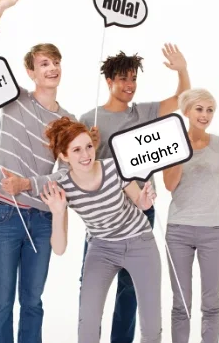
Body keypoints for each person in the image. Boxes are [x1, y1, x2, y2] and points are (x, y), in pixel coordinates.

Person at [0, 0, 89, 342]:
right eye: (44, 63)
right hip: (4, 212)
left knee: (32, 302)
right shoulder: (13, 98)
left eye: (56, 62)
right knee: (2, 302)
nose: (52, 68)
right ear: (31, 72)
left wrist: (28, 185)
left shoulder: (68, 122)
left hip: (41, 218)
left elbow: (67, 176)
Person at [77, 45, 190, 342]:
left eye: (133, 79)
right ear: (109, 81)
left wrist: (182, 70)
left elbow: (181, 99)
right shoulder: (90, 119)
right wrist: (90, 143)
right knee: (89, 288)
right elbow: (76, 166)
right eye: (123, 79)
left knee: (130, 289)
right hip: (103, 219)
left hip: (140, 214)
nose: (129, 86)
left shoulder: (144, 112)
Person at [39, 117, 163, 343]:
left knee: (152, 328)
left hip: (139, 242)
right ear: (64, 156)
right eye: (76, 150)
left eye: (88, 146)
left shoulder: (114, 167)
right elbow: (58, 248)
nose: (86, 155)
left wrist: (146, 201)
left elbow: (140, 202)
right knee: (87, 323)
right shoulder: (63, 187)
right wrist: (57, 212)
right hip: (102, 249)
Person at [161, 88, 219, 343]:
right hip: (179, 230)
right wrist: (179, 150)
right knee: (181, 304)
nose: (205, 115)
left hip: (213, 231)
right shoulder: (172, 143)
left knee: (211, 303)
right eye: (199, 109)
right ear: (187, 111)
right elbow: (169, 185)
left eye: (210, 110)